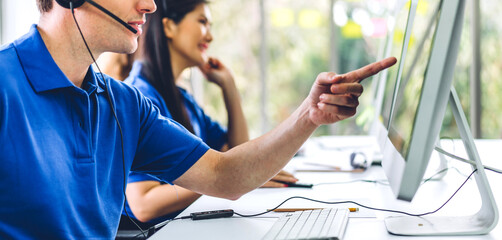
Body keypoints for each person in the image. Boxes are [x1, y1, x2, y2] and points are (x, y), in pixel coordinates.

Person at [0, 0, 396, 238]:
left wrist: (308, 116)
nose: (151, 5)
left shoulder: (122, 104)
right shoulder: (5, 87)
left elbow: (225, 176)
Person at [119, 0, 298, 227]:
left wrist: (229, 88)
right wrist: (221, 181)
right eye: (202, 22)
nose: (210, 37)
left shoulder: (182, 98)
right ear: (169, 27)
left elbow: (236, 153)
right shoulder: (140, 96)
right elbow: (144, 204)